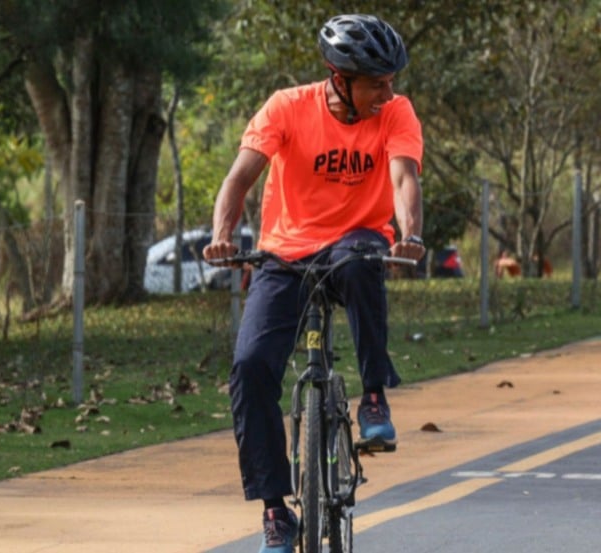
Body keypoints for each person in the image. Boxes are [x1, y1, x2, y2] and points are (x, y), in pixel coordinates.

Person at [202, 14, 424, 553]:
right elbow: (241, 175)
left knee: (361, 264)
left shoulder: (395, 112)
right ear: (339, 78)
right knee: (251, 367)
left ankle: (373, 398)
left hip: (357, 239)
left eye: (391, 80)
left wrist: (410, 233)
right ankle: (276, 511)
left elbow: (403, 177)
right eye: (377, 81)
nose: (388, 91)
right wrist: (222, 233)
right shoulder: (286, 107)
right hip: (286, 252)